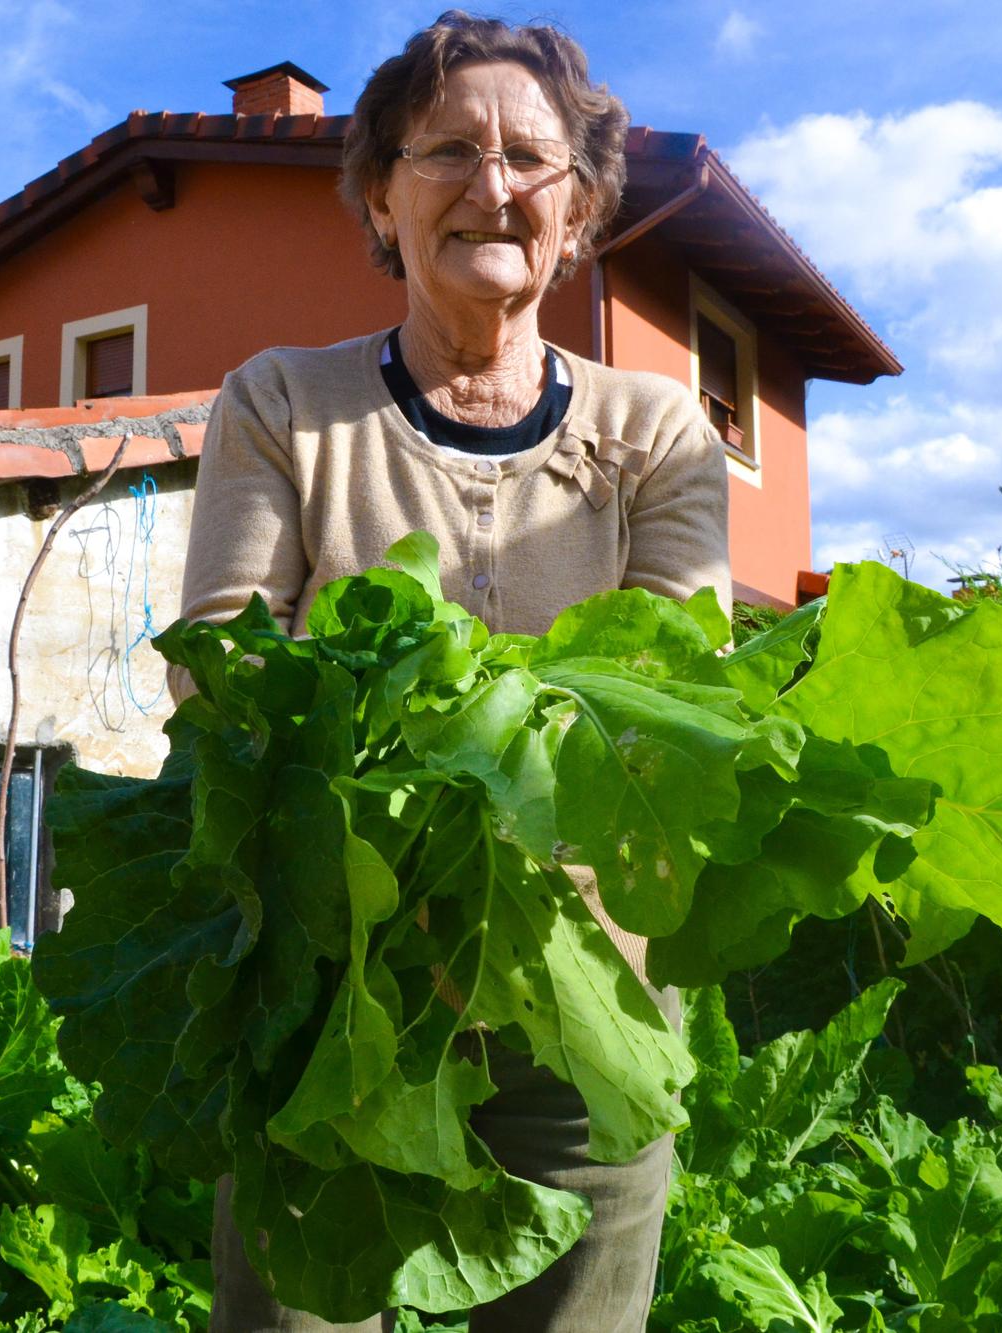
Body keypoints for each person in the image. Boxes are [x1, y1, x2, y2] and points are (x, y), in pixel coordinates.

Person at [179, 11, 730, 1330]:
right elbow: (220, 673)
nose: (491, 185)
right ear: (382, 192)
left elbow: (679, 699)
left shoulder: (658, 429)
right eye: (445, 152)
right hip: (333, 982)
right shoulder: (279, 406)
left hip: (582, 1001)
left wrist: (399, 714)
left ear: (581, 205)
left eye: (530, 159)